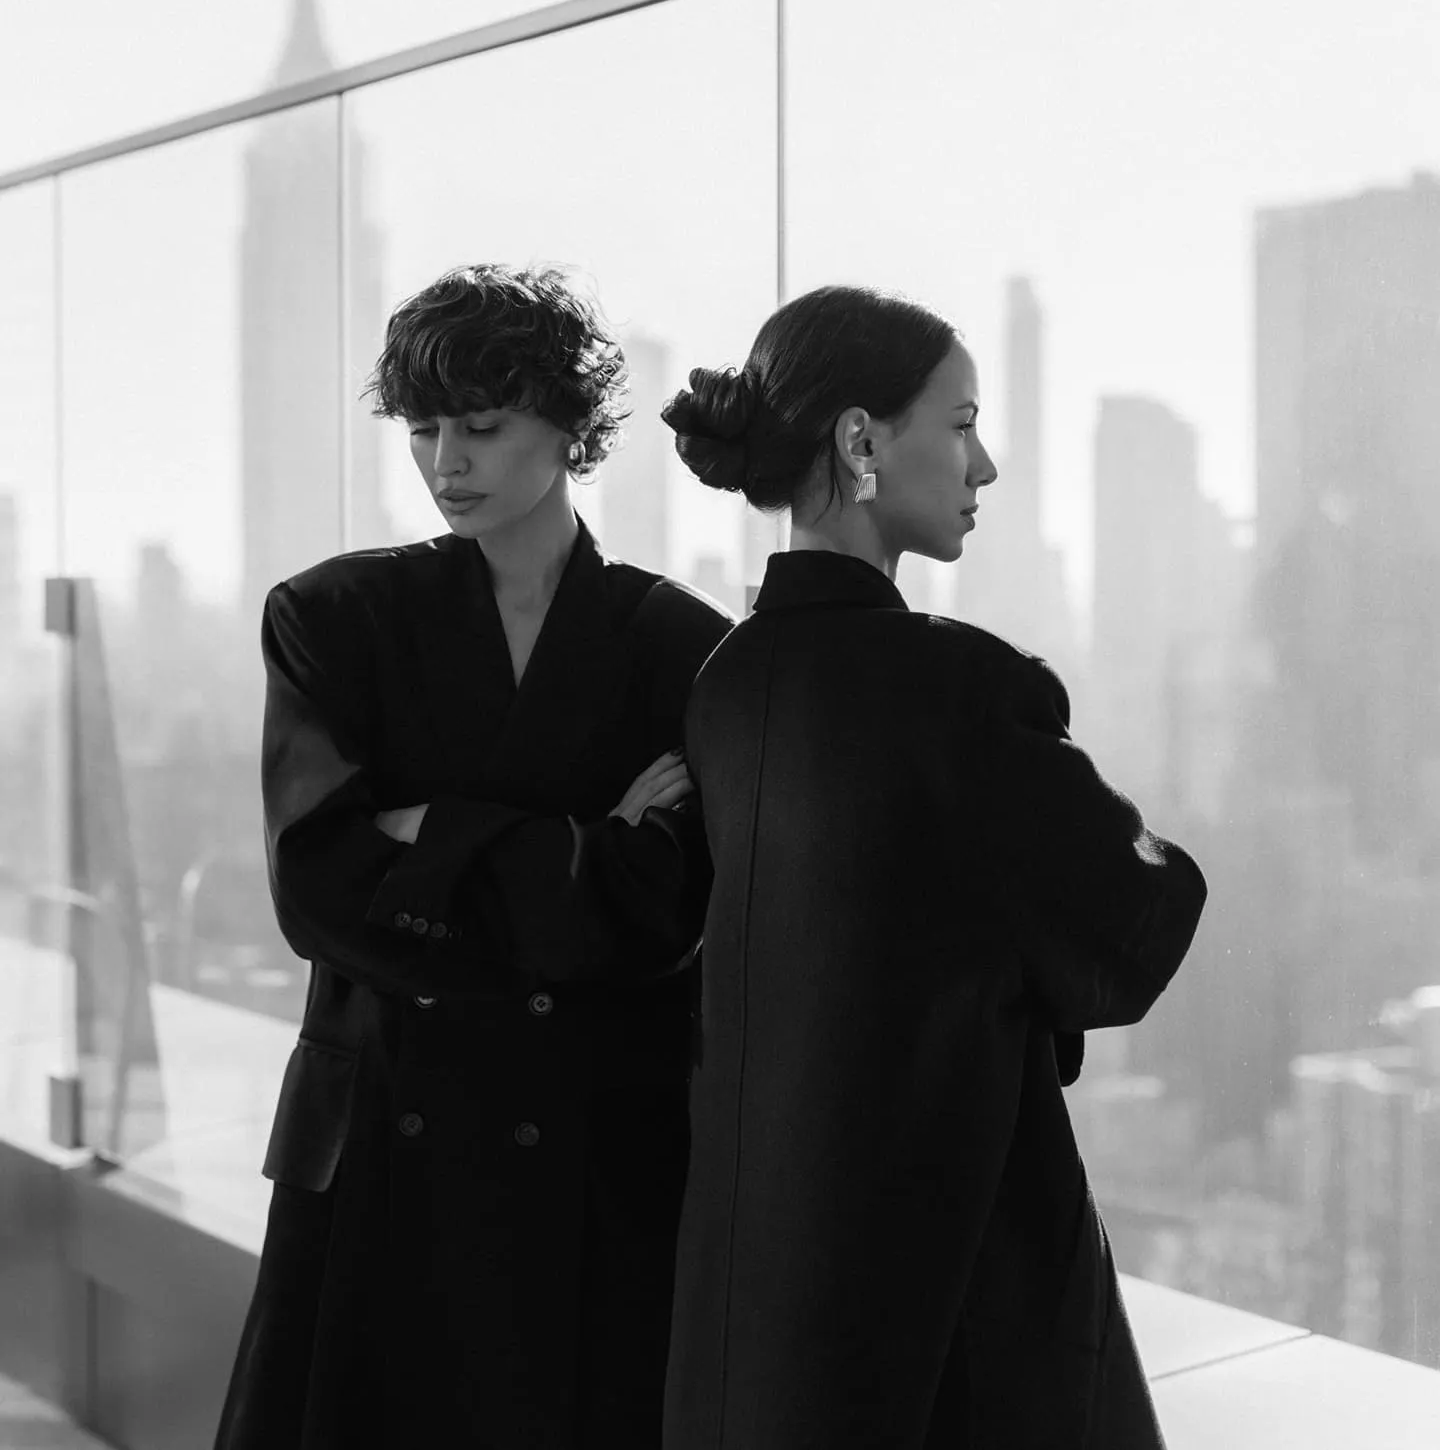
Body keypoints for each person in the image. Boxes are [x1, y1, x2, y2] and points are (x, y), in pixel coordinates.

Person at [658, 285, 1207, 1450]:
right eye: (959, 424)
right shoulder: (958, 686)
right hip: (952, 1287)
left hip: (757, 1310)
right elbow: (1134, 928)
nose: (986, 463)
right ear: (861, 441)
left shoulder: (724, 685)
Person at [214, 265, 733, 1450]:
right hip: (388, 1138)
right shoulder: (334, 616)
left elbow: (664, 913)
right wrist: (582, 849)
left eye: (483, 426)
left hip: (595, 1154)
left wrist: (428, 834)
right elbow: (318, 891)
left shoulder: (677, 643)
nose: (446, 458)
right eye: (424, 427)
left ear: (570, 426)